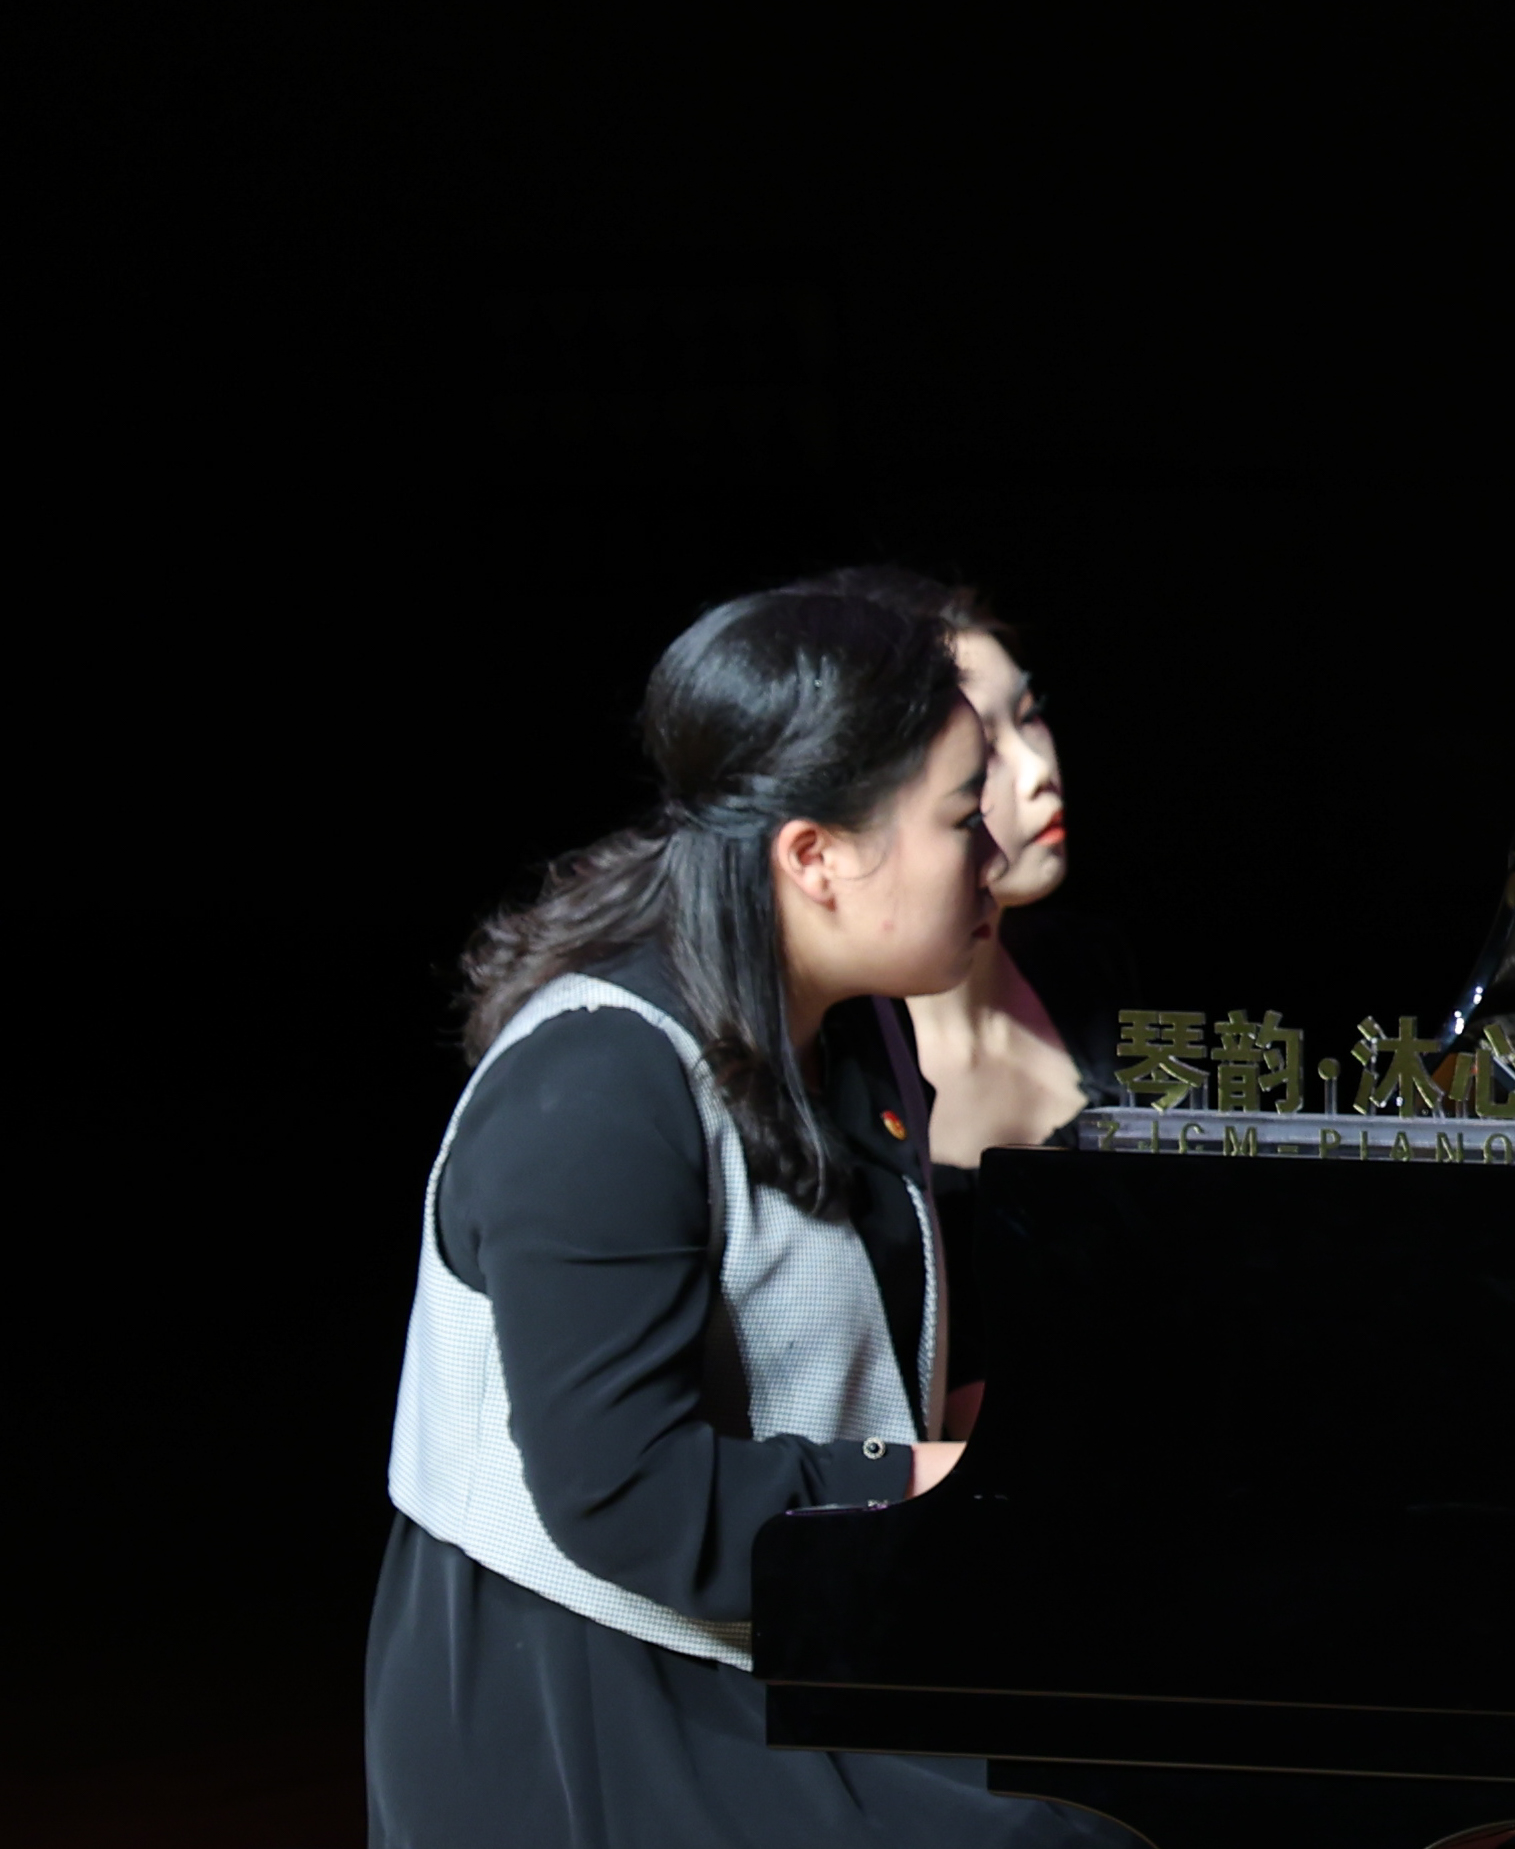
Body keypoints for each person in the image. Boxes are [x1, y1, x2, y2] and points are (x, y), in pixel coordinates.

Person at [366, 587, 1127, 1849]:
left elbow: (880, 1343)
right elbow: (626, 1495)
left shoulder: (860, 1024)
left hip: (786, 1618)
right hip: (593, 1678)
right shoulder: (596, 1084)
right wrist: (946, 1482)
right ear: (814, 855)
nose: (994, 855)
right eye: (960, 820)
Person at [790, 567, 1136, 1413]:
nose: (1039, 771)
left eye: (1032, 715)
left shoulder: (1097, 969)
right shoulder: (832, 1065)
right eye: (983, 754)